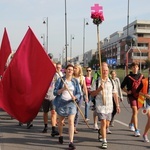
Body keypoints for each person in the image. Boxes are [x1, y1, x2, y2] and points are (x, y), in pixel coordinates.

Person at [90, 64, 120, 149]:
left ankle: (100, 132)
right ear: (100, 71)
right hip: (100, 105)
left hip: (109, 106)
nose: (105, 72)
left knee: (107, 125)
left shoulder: (112, 81)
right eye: (103, 70)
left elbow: (115, 94)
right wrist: (99, 89)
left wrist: (117, 105)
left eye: (106, 70)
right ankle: (104, 141)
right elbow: (92, 94)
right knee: (103, 122)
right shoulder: (96, 81)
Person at [53, 64, 81, 150]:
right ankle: (61, 135)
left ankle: (71, 142)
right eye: (68, 69)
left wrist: (75, 97)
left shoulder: (75, 81)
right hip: (61, 103)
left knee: (71, 122)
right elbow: (55, 92)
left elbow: (79, 93)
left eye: (71, 70)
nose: (70, 71)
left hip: (71, 103)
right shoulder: (60, 80)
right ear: (65, 70)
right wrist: (63, 89)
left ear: (73, 71)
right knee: (61, 122)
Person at [121, 62, 144, 137]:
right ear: (131, 68)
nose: (135, 68)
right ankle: (136, 130)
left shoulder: (141, 76)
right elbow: (122, 86)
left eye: (136, 67)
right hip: (131, 96)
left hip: (140, 97)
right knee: (134, 110)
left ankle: (131, 123)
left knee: (136, 113)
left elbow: (144, 86)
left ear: (138, 68)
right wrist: (127, 91)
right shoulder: (128, 77)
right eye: (133, 67)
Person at [73, 64, 88, 133]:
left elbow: (84, 87)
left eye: (75, 68)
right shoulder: (71, 77)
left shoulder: (82, 78)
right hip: (72, 96)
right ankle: (71, 125)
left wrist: (86, 96)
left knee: (78, 112)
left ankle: (74, 127)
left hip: (80, 96)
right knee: (72, 112)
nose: (74, 69)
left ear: (79, 69)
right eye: (74, 68)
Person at [138, 68, 150, 142]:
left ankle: (145, 134)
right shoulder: (144, 81)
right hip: (146, 102)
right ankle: (145, 135)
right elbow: (138, 91)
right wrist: (145, 95)